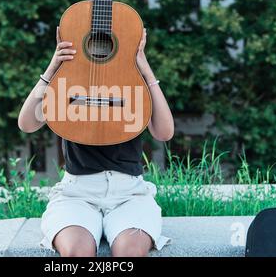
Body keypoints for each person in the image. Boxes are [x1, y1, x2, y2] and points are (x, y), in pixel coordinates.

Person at [18, 26, 174, 257]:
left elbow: (164, 133)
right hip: (77, 196)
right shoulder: (69, 83)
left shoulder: (133, 82)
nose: (100, 52)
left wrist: (145, 69)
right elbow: (27, 123)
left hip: (130, 196)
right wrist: (53, 67)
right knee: (76, 254)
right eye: (95, 46)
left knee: (129, 254)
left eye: (105, 47)